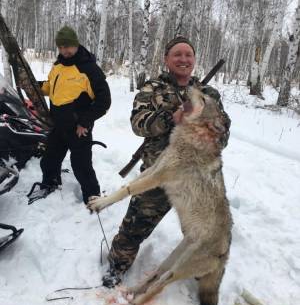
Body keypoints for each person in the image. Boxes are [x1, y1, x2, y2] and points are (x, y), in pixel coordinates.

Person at [102, 36, 231, 288]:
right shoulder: (153, 89)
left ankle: (203, 277)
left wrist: (206, 126)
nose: (183, 59)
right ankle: (117, 266)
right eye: (177, 54)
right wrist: (170, 117)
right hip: (160, 174)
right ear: (166, 59)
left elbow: (223, 135)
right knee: (134, 228)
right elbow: (138, 124)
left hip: (197, 182)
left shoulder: (208, 94)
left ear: (194, 60)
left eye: (188, 55)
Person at [36, 26, 111, 204]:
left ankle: (92, 197)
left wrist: (84, 122)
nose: (65, 51)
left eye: (68, 46)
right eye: (61, 47)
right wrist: (34, 87)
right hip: (58, 125)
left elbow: (104, 101)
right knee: (49, 160)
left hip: (79, 128)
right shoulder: (58, 66)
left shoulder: (89, 69)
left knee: (81, 166)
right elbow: (50, 87)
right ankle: (50, 183)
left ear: (76, 45)